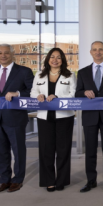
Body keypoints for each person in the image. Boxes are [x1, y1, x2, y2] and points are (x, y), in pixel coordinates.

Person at [0, 44, 34, 193]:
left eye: (6, 53)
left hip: (15, 117)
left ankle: (17, 180)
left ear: (13, 54)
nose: (3, 55)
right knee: (0, 151)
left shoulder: (24, 71)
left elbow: (32, 91)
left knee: (18, 150)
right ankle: (4, 180)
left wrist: (18, 93)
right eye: (0, 53)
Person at [76, 41, 103, 193]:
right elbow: (77, 92)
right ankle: (91, 180)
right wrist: (84, 93)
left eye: (100, 49)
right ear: (90, 52)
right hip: (90, 116)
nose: (98, 52)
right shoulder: (82, 72)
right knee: (90, 150)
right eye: (95, 50)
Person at [30, 48, 76, 192]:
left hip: (64, 117)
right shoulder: (39, 75)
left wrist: (58, 98)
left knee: (63, 150)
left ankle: (61, 180)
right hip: (44, 117)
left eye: (58, 57)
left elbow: (73, 94)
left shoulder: (70, 75)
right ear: (48, 59)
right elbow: (33, 92)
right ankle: (49, 181)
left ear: (62, 60)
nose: (55, 60)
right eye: (52, 57)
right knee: (46, 150)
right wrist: (37, 97)